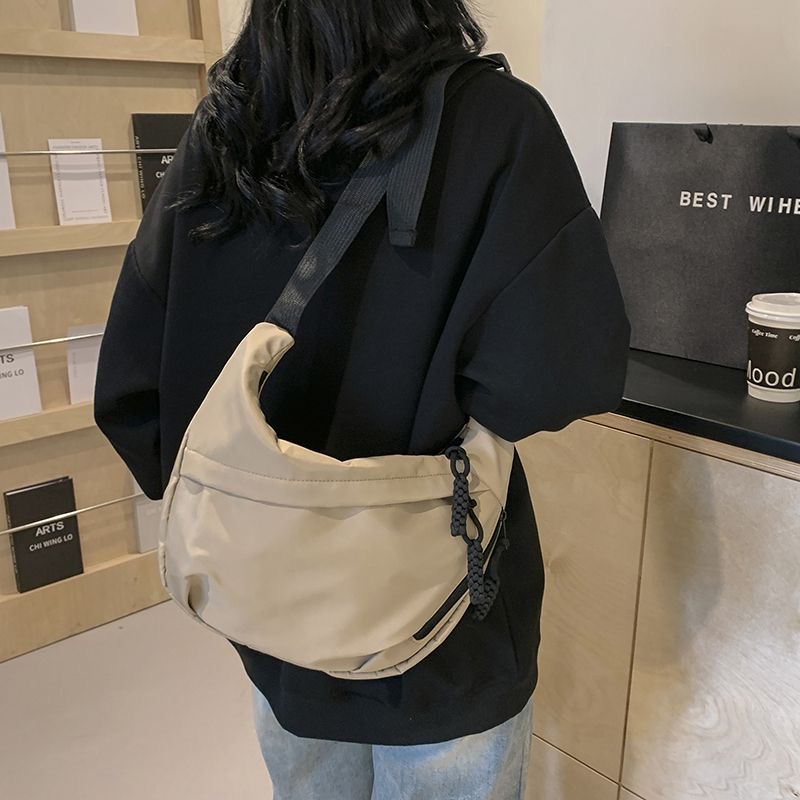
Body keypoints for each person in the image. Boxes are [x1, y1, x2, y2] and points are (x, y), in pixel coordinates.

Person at [94, 1, 631, 798]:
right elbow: (559, 377)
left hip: (276, 620)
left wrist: (257, 510)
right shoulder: (498, 125)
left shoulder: (224, 135)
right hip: (445, 626)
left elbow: (131, 391)